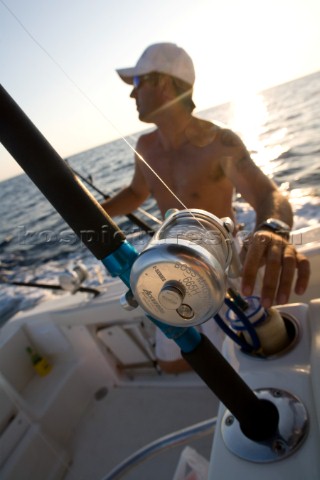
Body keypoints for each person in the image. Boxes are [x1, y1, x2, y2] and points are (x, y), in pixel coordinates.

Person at [101, 43, 310, 371]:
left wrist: (273, 229)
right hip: (170, 255)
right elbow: (136, 192)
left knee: (251, 354)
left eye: (138, 84)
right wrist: (96, 210)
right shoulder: (145, 146)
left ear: (165, 83)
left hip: (225, 260)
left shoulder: (219, 141)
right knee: (169, 364)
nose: (132, 96)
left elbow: (267, 193)